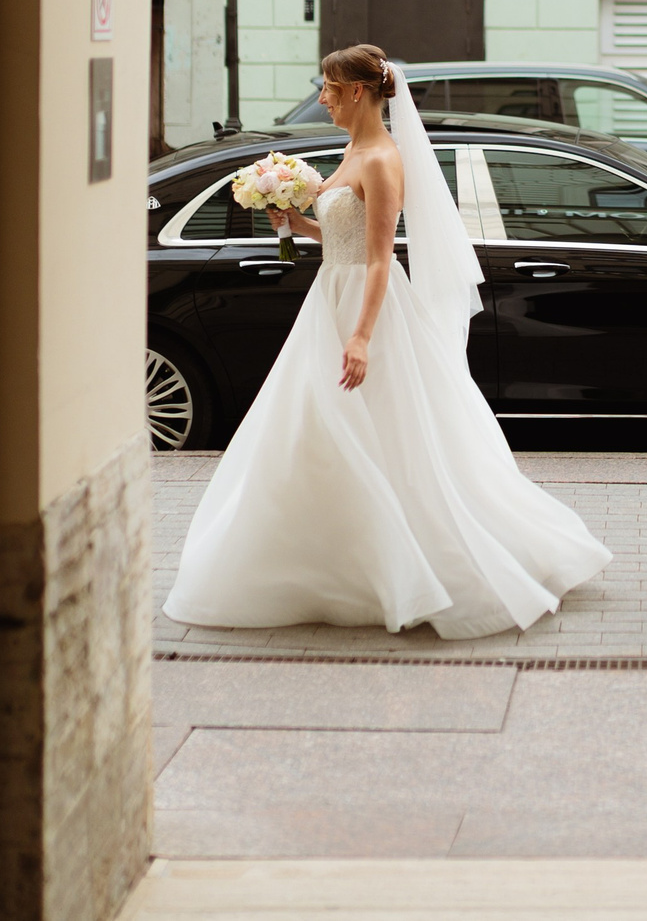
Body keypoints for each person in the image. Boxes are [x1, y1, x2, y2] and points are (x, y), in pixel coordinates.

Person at [162, 44, 611, 638]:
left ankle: (416, 567)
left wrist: (362, 338)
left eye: (327, 87)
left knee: (391, 439)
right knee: (314, 430)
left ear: (356, 91)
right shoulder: (352, 150)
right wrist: (294, 223)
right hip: (330, 299)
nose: (321, 99)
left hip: (364, 309)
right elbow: (342, 239)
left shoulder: (382, 159)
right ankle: (325, 563)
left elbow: (378, 259)